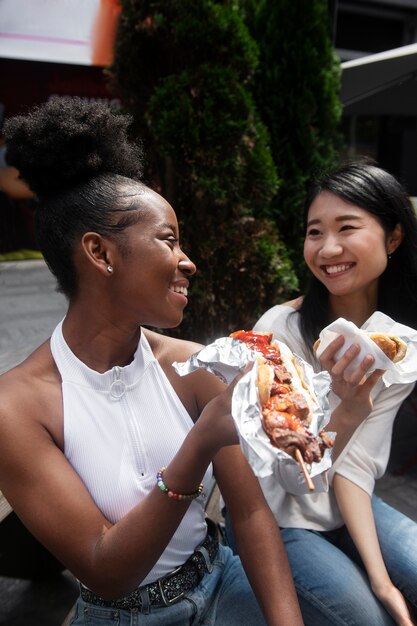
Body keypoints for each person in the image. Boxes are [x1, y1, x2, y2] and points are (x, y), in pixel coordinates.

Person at [0, 97, 304, 626]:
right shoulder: (16, 407)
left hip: (221, 579)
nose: (188, 261)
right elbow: (105, 569)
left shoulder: (198, 367)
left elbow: (251, 513)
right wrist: (201, 442)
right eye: (168, 239)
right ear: (100, 254)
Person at [250, 159, 417, 625]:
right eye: (314, 232)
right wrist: (349, 406)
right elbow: (287, 474)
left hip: (346, 502)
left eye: (347, 227)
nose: (328, 248)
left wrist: (383, 580)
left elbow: (355, 468)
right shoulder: (279, 332)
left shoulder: (398, 345)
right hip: (275, 515)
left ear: (394, 236)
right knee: (366, 619)